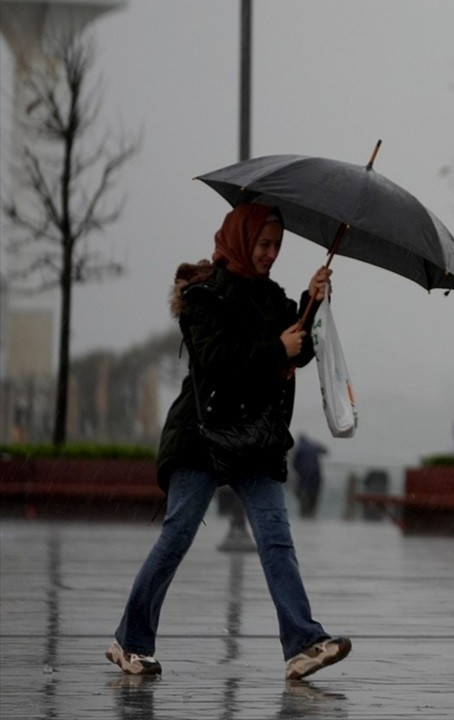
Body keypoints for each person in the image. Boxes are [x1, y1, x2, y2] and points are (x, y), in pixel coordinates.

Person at [106, 202, 351, 680]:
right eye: (264, 244)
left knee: (276, 538)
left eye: (277, 246)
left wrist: (313, 299)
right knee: (177, 535)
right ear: (241, 240)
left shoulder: (273, 297)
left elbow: (298, 345)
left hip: (253, 438)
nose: (271, 254)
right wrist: (276, 348)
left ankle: (302, 642)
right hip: (201, 433)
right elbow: (217, 360)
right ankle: (130, 642)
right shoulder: (204, 298)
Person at [291, 433, 328, 519]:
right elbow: (324, 451)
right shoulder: (313, 445)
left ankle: (303, 513)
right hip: (316, 473)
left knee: (302, 492)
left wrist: (298, 472)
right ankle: (312, 512)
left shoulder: (299, 448)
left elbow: (294, 463)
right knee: (315, 492)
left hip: (304, 474)